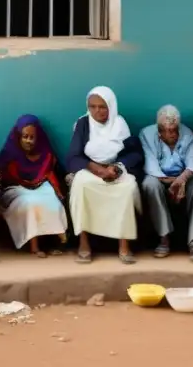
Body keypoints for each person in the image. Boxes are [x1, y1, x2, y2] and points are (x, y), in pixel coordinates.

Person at [66, 86, 144, 264]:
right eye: (92, 106)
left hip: (116, 169)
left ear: (111, 106)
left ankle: (124, 244)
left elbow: (135, 154)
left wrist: (116, 168)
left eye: (102, 106)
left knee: (127, 187)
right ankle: (84, 243)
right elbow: (73, 156)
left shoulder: (120, 124)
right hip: (90, 169)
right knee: (80, 185)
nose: (96, 111)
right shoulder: (83, 124)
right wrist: (97, 169)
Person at [139, 105, 193, 263]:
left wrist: (182, 180)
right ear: (159, 129)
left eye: (174, 129)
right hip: (159, 178)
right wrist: (175, 183)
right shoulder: (147, 134)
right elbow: (152, 168)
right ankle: (164, 238)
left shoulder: (186, 133)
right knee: (149, 184)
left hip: (184, 177)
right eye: (167, 130)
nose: (172, 134)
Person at [0, 115, 69, 257]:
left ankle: (54, 242)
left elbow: (53, 173)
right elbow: (3, 179)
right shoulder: (9, 154)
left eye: (32, 137)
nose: (28, 141)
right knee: (31, 202)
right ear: (18, 136)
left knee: (51, 200)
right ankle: (34, 246)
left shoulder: (45, 153)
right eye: (25, 137)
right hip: (14, 189)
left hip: (40, 186)